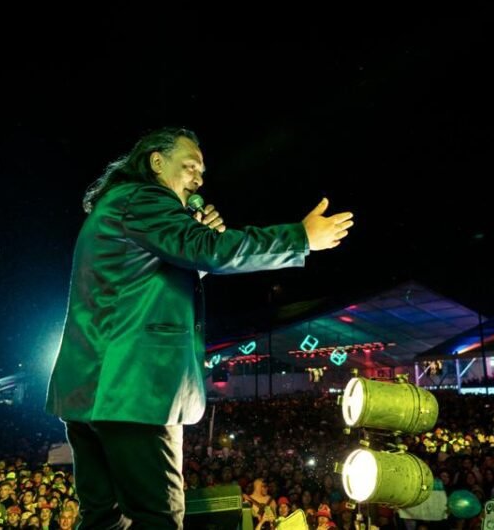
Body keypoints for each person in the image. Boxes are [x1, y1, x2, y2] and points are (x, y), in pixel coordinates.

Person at [45, 127, 354, 529]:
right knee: (159, 517)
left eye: (202, 171)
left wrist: (200, 237)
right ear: (156, 162)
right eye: (189, 166)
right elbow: (206, 251)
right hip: (131, 390)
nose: (198, 178)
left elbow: (159, 276)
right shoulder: (144, 197)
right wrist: (300, 238)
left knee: (104, 518)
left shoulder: (118, 205)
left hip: (91, 391)